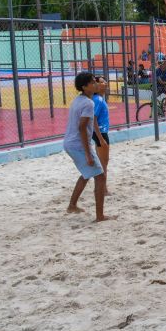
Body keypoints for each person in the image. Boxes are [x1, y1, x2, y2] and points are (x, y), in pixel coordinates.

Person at [64, 72, 114, 222]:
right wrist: (88, 154)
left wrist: (96, 140)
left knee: (86, 174)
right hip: (78, 145)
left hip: (71, 144)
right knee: (100, 177)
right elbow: (82, 128)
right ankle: (100, 216)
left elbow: (89, 125)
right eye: (92, 82)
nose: (96, 84)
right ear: (84, 87)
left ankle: (72, 205)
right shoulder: (88, 103)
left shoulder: (80, 100)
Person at [92, 76, 111, 196]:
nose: (105, 83)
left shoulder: (98, 98)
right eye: (102, 82)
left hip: (100, 132)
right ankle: (102, 189)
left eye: (105, 81)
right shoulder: (98, 99)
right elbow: (93, 118)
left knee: (102, 161)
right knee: (103, 163)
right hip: (101, 132)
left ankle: (99, 188)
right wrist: (100, 138)